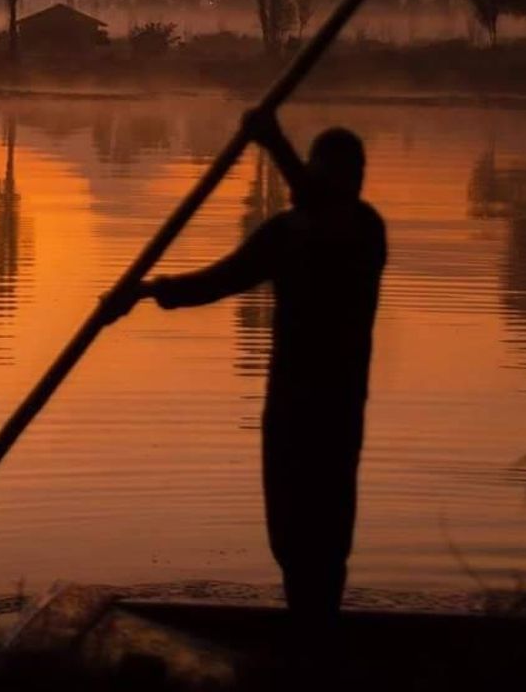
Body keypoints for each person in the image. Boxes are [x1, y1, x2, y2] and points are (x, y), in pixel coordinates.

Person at [112, 109, 387, 637]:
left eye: (331, 175)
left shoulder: (363, 231)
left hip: (335, 409)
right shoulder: (287, 234)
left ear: (351, 182)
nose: (321, 185)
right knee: (289, 535)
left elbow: (326, 216)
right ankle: (307, 631)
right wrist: (151, 291)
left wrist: (274, 142)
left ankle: (318, 635)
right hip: (287, 409)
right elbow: (218, 281)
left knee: (328, 534)